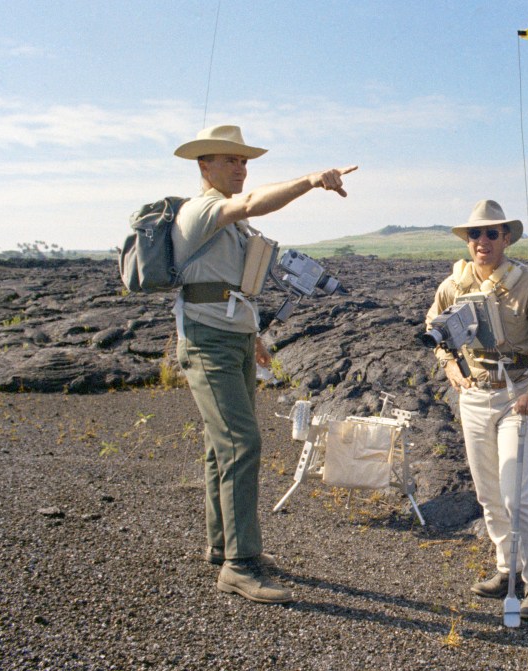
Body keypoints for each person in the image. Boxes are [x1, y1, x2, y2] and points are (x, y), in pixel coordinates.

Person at [171, 124, 356, 604]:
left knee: (221, 449)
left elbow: (231, 285)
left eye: (244, 161)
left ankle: (223, 548)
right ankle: (241, 564)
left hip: (232, 339)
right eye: (229, 160)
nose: (240, 168)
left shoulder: (233, 226)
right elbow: (252, 201)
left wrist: (253, 335)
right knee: (241, 443)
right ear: (203, 166)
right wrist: (312, 180)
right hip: (207, 343)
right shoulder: (204, 210)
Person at [424, 200, 528, 620]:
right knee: (487, 493)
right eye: (474, 235)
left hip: (516, 394)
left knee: (515, 494)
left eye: (491, 233)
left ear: (506, 238)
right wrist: (449, 365)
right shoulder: (454, 284)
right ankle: (508, 570)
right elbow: (435, 329)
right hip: (475, 395)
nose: (481, 241)